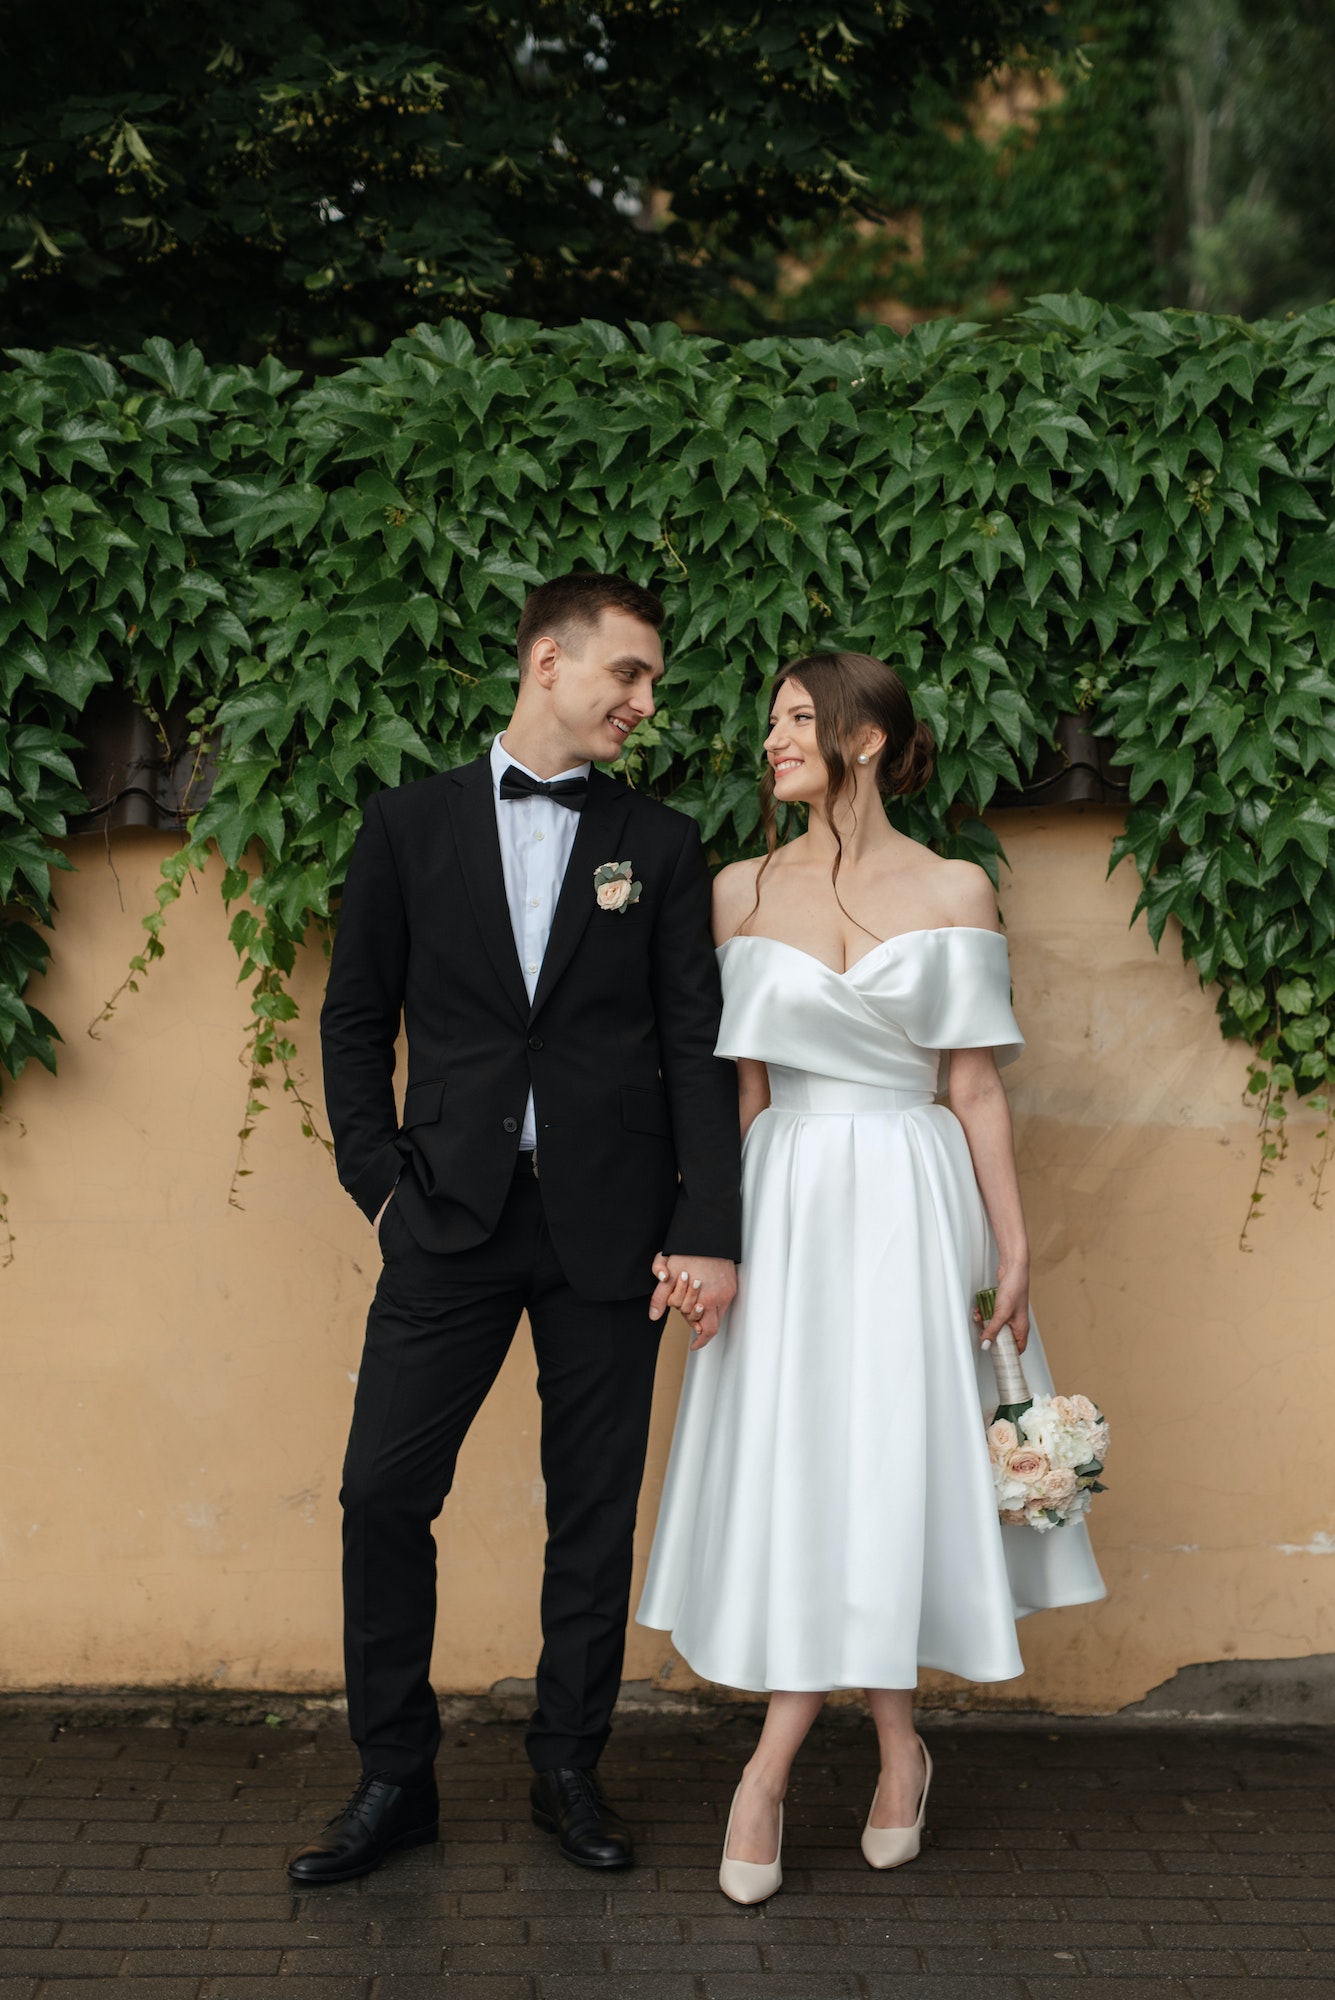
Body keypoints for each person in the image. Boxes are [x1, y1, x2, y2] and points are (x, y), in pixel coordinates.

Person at [291, 573, 741, 1885]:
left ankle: (566, 1766)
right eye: (629, 675)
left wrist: (703, 1225)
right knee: (380, 1493)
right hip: (447, 1220)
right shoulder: (406, 826)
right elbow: (353, 1017)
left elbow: (692, 1048)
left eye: (649, 682)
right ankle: (393, 1778)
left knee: (590, 1512)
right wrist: (377, 1180)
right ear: (549, 661)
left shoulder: (656, 845)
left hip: (613, 1230)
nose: (643, 702)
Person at [637, 651, 1104, 1905]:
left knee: (889, 1464)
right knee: (809, 1470)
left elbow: (973, 1081)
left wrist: (1012, 1249)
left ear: (863, 741)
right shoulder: (736, 889)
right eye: (772, 715)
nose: (772, 735)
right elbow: (729, 1092)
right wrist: (712, 1243)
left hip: (912, 1191)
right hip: (783, 1196)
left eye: (798, 717)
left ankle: (777, 1762)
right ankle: (885, 1746)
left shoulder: (956, 885)